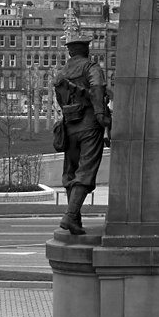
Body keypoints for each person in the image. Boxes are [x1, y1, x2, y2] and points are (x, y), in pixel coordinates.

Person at [53, 34, 111, 235]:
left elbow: (61, 101)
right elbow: (96, 90)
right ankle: (70, 216)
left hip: (70, 126)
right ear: (86, 50)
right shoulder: (91, 68)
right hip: (89, 125)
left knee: (71, 172)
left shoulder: (61, 74)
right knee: (85, 171)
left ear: (70, 52)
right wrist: (101, 115)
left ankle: (75, 221)